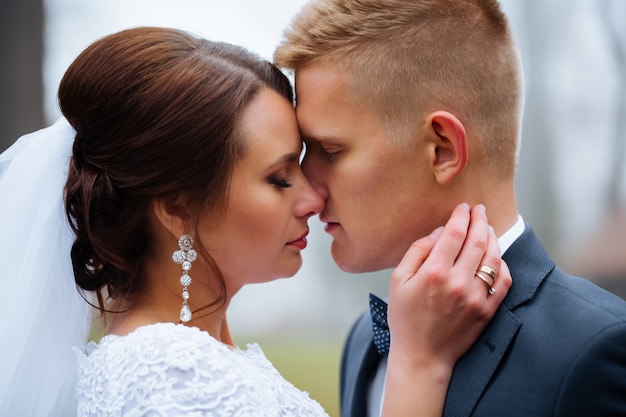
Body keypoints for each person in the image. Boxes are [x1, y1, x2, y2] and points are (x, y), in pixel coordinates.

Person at [0, 26, 511, 416]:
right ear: (177, 207)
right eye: (278, 176)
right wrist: (420, 365)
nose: (313, 196)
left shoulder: (190, 361)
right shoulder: (170, 376)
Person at [273, 0, 626, 416]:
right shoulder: (364, 341)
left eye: (330, 151)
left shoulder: (595, 347)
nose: (309, 189)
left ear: (442, 150)